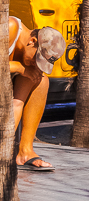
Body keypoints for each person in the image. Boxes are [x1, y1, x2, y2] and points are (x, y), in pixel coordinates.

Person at [9, 18, 65, 171]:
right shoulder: (10, 27)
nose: (36, 64)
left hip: (5, 78)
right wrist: (21, 69)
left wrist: (25, 70)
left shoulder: (30, 52)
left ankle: (25, 151)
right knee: (31, 73)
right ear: (32, 41)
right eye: (37, 59)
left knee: (41, 80)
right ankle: (0, 150)